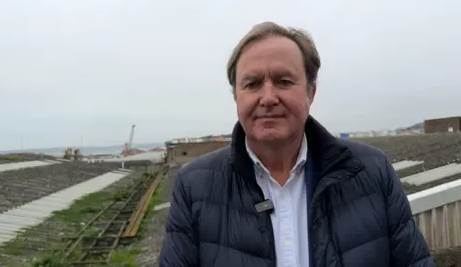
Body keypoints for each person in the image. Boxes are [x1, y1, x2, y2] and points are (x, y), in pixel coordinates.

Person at [159, 22, 434, 267]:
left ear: (310, 93)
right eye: (252, 84)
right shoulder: (193, 186)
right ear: (236, 97)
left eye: (283, 81)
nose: (268, 97)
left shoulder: (372, 171)